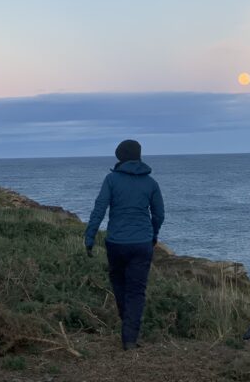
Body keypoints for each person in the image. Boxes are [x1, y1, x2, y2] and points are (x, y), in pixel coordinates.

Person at [84, 139, 164, 351]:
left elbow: (99, 209)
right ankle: (129, 338)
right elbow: (159, 214)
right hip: (142, 243)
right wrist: (153, 234)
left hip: (116, 243)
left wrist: (89, 237)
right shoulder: (151, 183)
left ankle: (127, 324)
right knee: (136, 291)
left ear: (120, 156)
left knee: (120, 285)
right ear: (138, 156)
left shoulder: (111, 180)